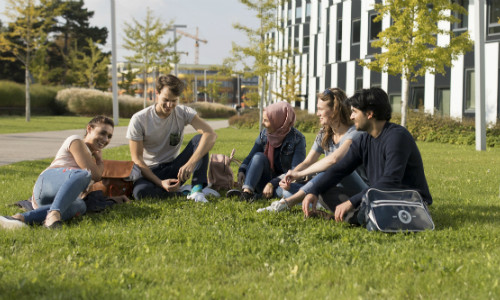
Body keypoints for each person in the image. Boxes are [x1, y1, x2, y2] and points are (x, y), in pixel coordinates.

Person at [302, 87, 433, 222]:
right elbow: (340, 168)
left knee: (364, 207)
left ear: (369, 114)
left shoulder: (397, 137)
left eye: (354, 112)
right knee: (324, 192)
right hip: (379, 196)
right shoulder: (364, 139)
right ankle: (361, 216)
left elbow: (390, 182)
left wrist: (351, 202)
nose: (351, 117)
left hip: (407, 200)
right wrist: (314, 190)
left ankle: (358, 216)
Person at [258, 88, 368, 212]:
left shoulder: (355, 133)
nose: (317, 113)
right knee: (285, 190)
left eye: (320, 109)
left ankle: (288, 203)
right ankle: (312, 201)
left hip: (361, 191)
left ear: (335, 110)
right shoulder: (324, 134)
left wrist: (300, 174)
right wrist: (291, 176)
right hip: (333, 188)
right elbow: (308, 162)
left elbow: (334, 160)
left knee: (332, 167)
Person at [0, 116, 114, 229]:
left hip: (59, 201)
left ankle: (19, 218)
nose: (105, 139)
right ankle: (54, 214)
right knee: (85, 174)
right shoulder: (76, 141)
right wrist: (99, 160)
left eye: (109, 136)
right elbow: (96, 175)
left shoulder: (90, 158)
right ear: (89, 129)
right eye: (102, 133)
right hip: (48, 183)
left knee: (81, 205)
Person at [127, 74, 217, 202]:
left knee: (200, 139)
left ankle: (197, 190)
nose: (169, 105)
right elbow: (137, 159)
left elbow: (211, 134)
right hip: (149, 172)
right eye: (166, 99)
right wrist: (160, 182)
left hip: (175, 168)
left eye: (174, 101)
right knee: (140, 193)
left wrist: (191, 163)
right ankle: (185, 192)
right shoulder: (139, 119)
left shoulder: (184, 112)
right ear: (156, 94)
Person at [227, 101, 306, 202]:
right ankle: (246, 193)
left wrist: (272, 183)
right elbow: (251, 156)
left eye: (266, 120)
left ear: (278, 121)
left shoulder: (298, 139)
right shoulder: (264, 134)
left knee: (284, 191)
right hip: (263, 179)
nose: (262, 124)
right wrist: (242, 170)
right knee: (258, 156)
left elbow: (295, 171)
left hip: (282, 183)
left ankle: (257, 196)